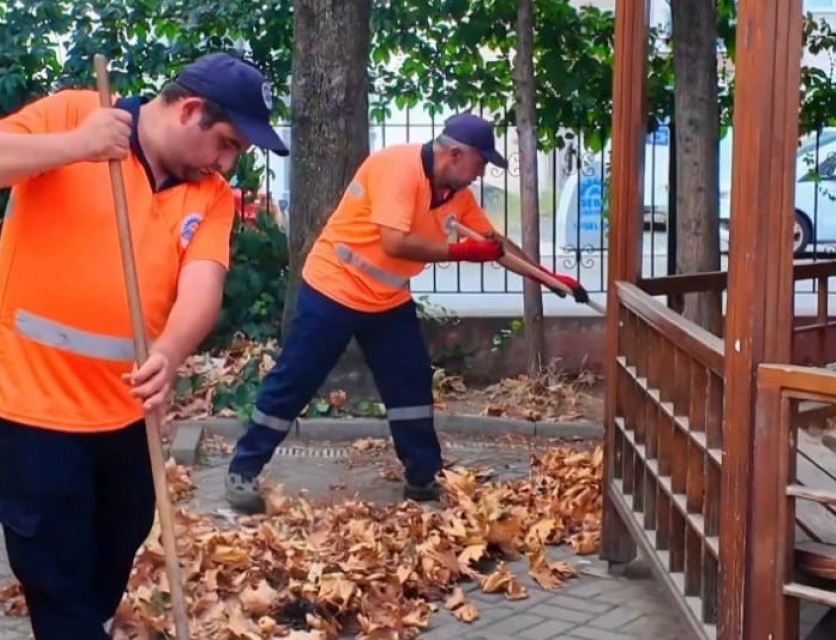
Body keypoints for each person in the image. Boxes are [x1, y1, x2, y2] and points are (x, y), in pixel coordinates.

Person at [0, 52, 289, 639]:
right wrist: (74, 145)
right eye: (227, 143)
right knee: (56, 571)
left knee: (119, 539)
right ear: (192, 111)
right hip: (34, 401)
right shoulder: (79, 114)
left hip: (126, 405)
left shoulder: (209, 195)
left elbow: (202, 287)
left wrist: (170, 354)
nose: (228, 162)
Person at [224, 113, 590, 514]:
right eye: (481, 163)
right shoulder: (397, 168)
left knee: (411, 383)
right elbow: (395, 243)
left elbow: (495, 245)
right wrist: (460, 251)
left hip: (386, 299)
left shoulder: (457, 196)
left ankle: (421, 478)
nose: (482, 172)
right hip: (334, 287)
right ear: (455, 154)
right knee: (295, 379)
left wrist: (548, 278)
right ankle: (243, 469)